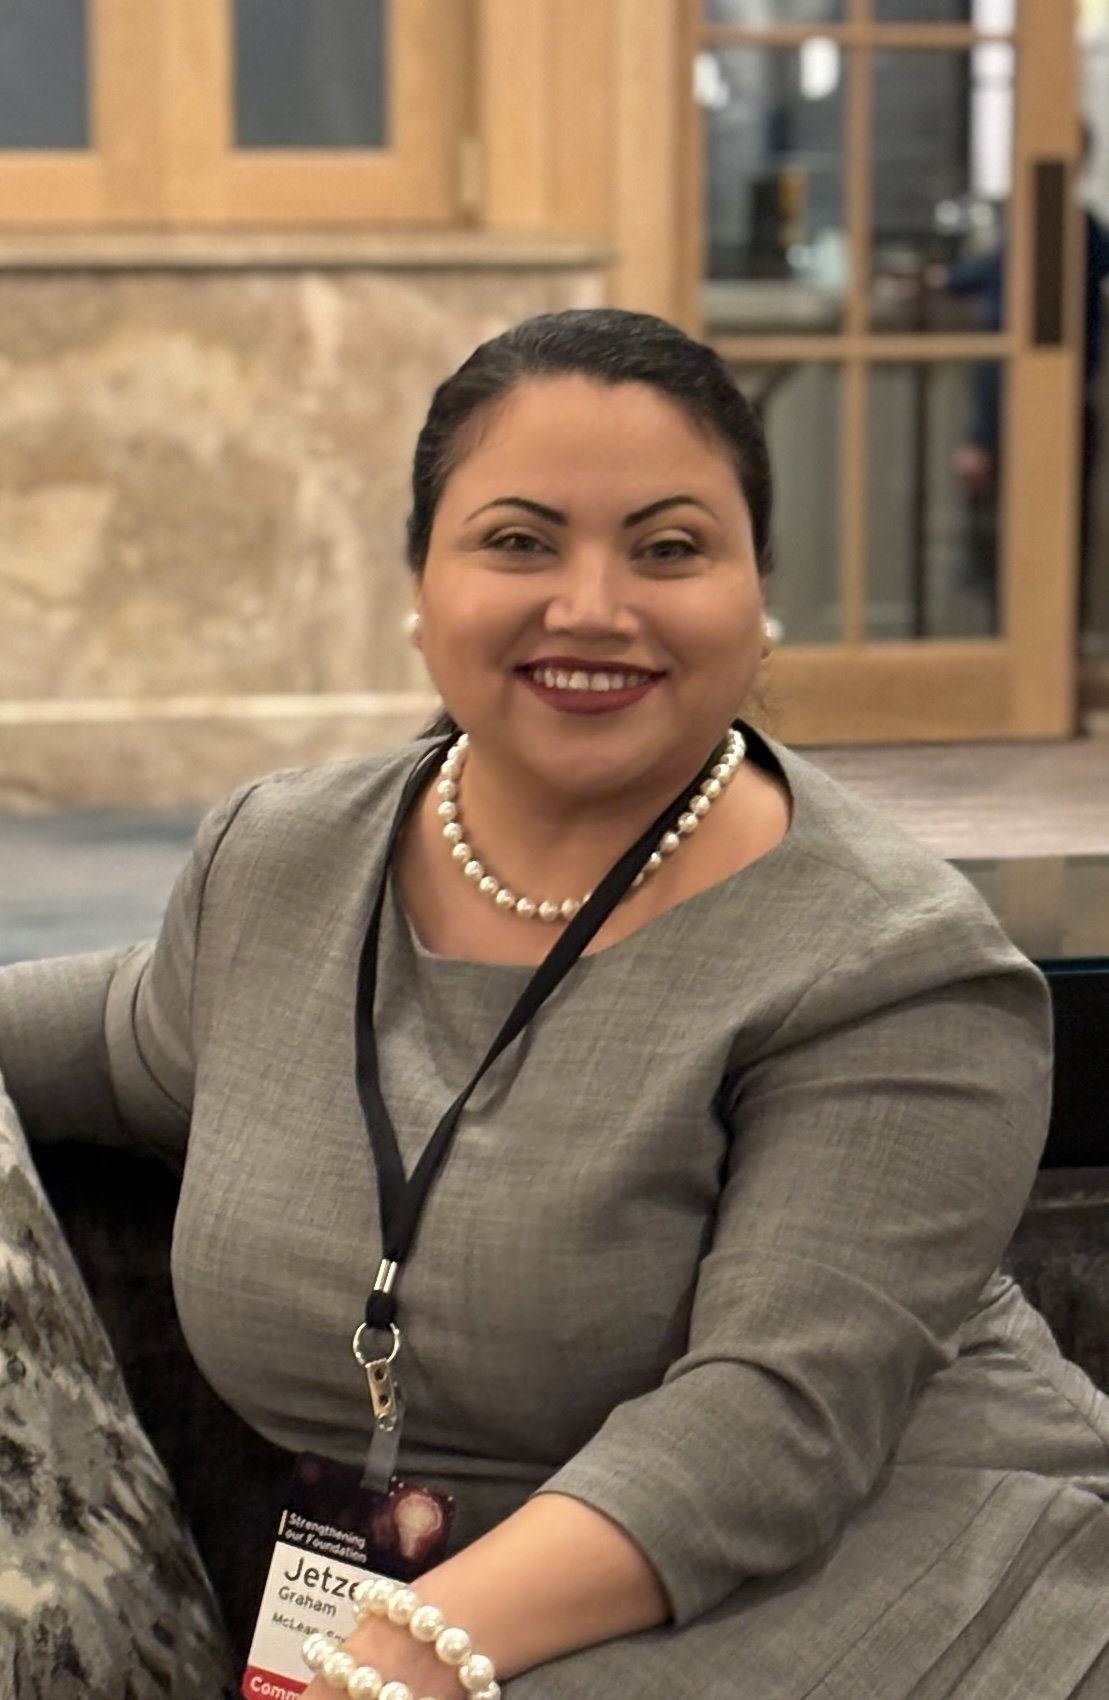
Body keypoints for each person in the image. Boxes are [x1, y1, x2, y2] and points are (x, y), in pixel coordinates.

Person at [3, 307, 1109, 1700]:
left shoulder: (893, 965)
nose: (591, 604)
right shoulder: (281, 858)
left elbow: (769, 1423)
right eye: (518, 541)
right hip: (420, 1616)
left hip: (849, 1559)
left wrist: (391, 1658)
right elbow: (124, 1035)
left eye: (668, 548)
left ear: (758, 598)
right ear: (422, 588)